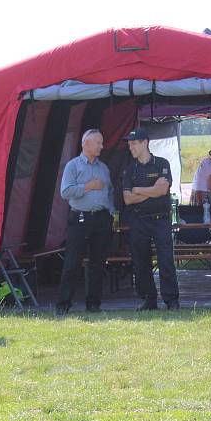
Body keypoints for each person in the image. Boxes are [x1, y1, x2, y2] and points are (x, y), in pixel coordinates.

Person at [56, 128, 115, 315]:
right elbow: (65, 192)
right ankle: (64, 305)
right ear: (86, 144)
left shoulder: (103, 168)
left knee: (98, 263)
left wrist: (111, 212)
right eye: (98, 142)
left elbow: (110, 191)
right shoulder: (73, 166)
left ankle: (94, 304)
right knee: (73, 262)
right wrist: (87, 187)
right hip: (80, 218)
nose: (102, 146)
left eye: (102, 142)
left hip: (101, 219)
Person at [122, 129, 180, 311]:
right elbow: (127, 199)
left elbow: (162, 191)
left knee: (166, 260)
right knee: (141, 262)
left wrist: (138, 190)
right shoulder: (129, 169)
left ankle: (171, 300)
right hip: (138, 220)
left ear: (145, 142)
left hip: (160, 220)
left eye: (134, 143)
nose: (130, 147)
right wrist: (150, 191)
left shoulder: (161, 164)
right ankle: (149, 299)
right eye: (129, 144)